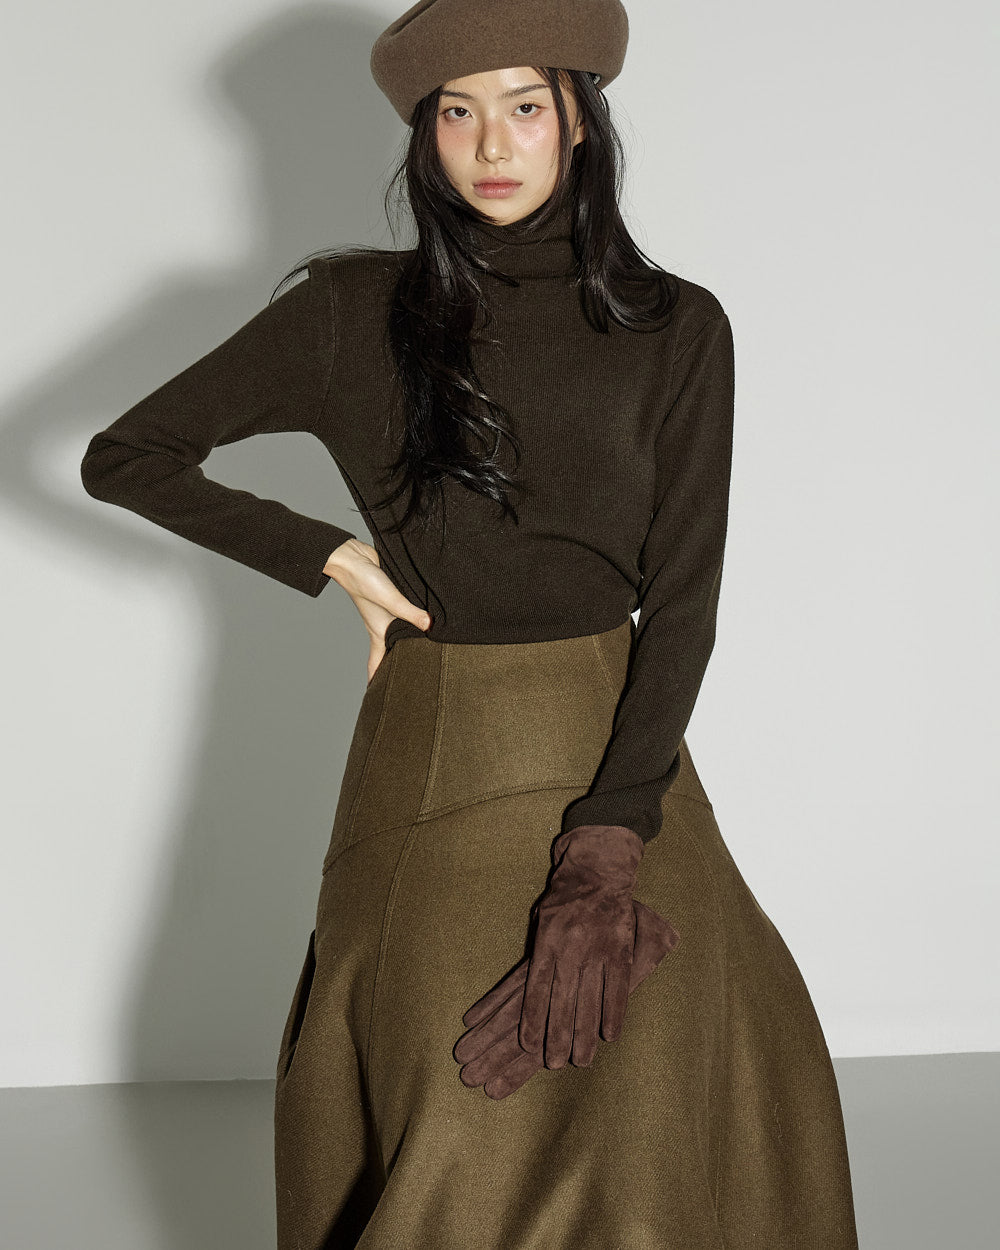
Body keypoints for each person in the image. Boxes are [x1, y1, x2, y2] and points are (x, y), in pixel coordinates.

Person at [80, 1, 861, 1246]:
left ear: (580, 122)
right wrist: (329, 556)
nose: (491, 143)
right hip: (440, 750)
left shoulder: (678, 327)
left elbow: (685, 600)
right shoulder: (350, 311)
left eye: (524, 106)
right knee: (461, 1106)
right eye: (456, 111)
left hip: (623, 757)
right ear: (424, 134)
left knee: (694, 1059)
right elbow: (128, 456)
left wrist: (606, 847)